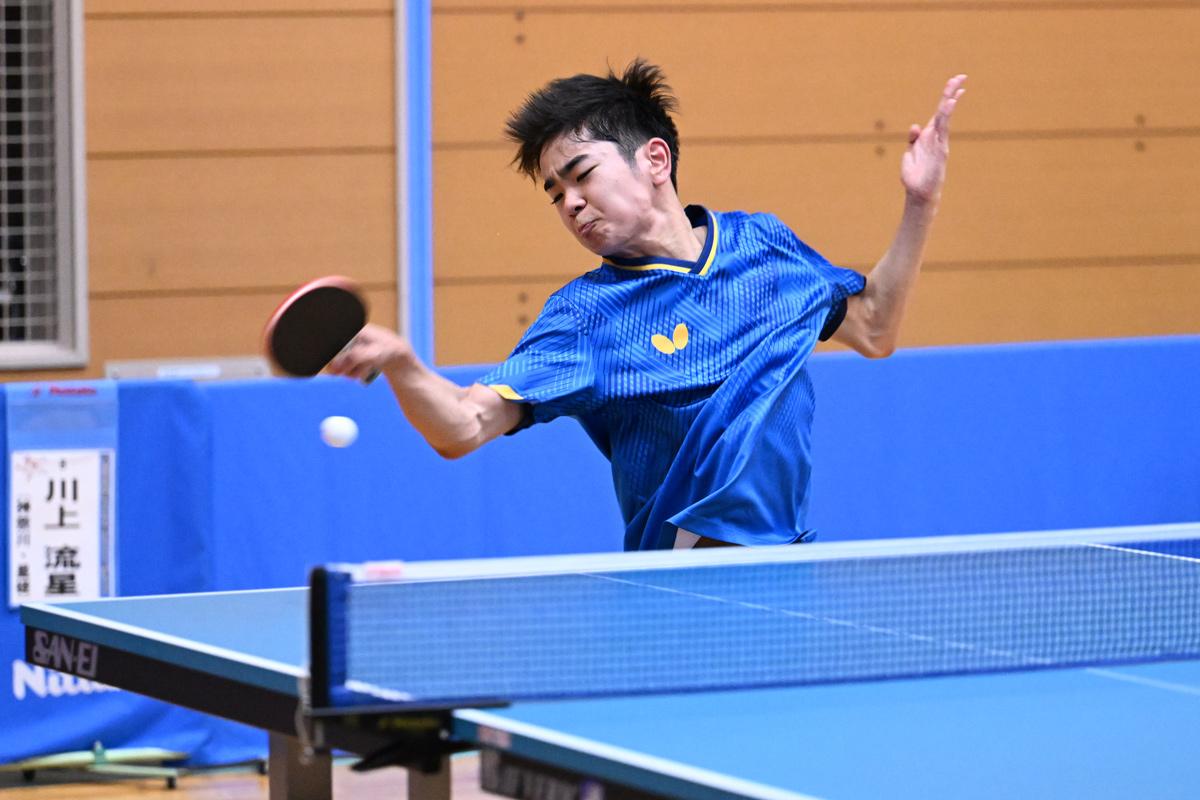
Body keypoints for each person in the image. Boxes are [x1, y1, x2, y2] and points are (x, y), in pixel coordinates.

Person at [329, 60, 967, 551]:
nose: (570, 203)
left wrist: (921, 202)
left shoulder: (764, 247)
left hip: (786, 568)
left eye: (581, 175)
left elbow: (874, 327)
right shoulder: (587, 318)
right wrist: (403, 363)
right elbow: (464, 427)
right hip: (683, 596)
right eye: (554, 194)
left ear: (655, 159)